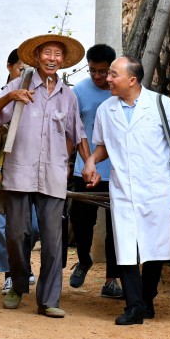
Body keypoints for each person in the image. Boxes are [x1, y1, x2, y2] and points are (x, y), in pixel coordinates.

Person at [83, 55, 170, 325]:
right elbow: (103, 146)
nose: (107, 79)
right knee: (126, 249)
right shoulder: (106, 110)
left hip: (154, 188)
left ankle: (147, 299)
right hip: (122, 190)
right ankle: (134, 306)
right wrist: (91, 161)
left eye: (113, 75)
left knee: (155, 248)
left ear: (131, 80)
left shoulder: (159, 104)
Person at [0, 34, 88, 319]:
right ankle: (17, 284)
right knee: (18, 235)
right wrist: (10, 96)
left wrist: (87, 162)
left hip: (54, 174)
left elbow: (76, 133)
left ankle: (49, 299)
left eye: (57, 54)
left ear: (63, 61)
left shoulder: (68, 96)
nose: (52, 59)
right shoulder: (20, 84)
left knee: (54, 240)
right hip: (19, 172)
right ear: (38, 56)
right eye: (47, 53)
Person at [69, 44, 123, 299]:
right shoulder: (79, 91)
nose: (98, 76)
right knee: (81, 222)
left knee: (117, 228)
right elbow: (76, 130)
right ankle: (83, 260)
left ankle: (111, 280)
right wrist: (88, 162)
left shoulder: (121, 91)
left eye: (103, 71)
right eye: (93, 71)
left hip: (118, 173)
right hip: (86, 171)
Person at [0, 50, 39, 294]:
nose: (26, 75)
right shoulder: (5, 93)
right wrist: (10, 97)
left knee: (34, 225)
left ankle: (23, 267)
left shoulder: (42, 93)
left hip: (35, 169)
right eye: (21, 69)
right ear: (10, 67)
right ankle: (11, 274)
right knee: (4, 225)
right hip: (4, 170)